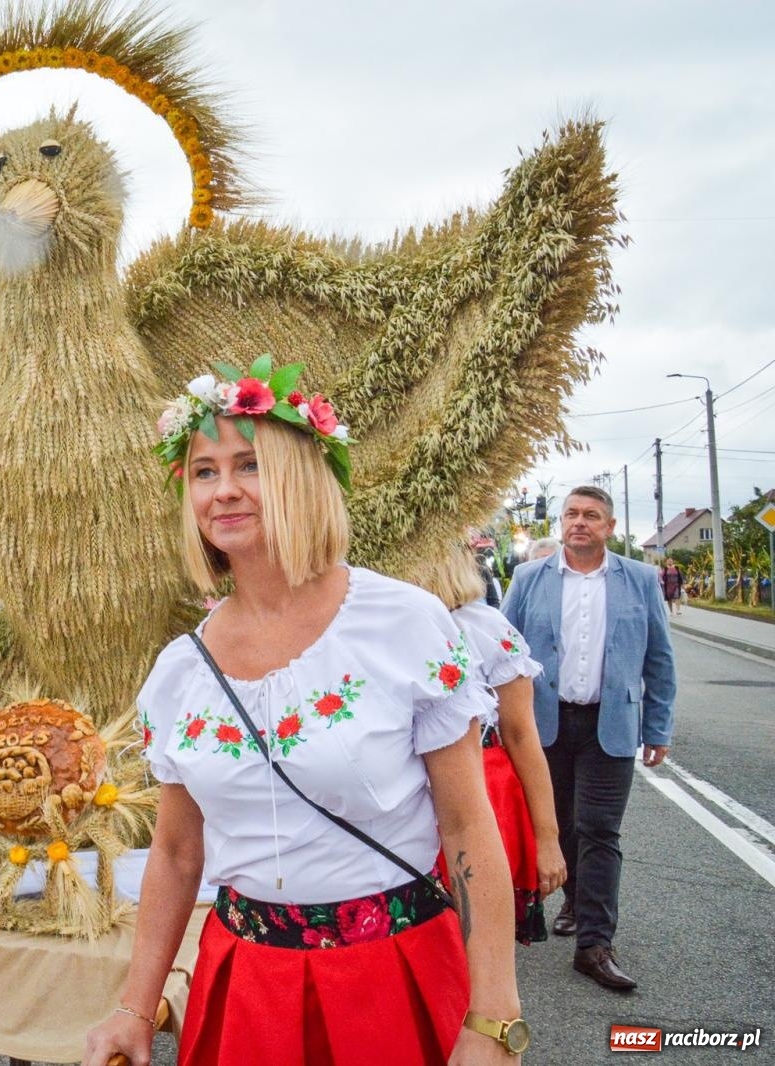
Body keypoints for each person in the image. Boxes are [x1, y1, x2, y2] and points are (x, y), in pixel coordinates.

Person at [85, 363, 526, 1066]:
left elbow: (468, 824)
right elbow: (175, 853)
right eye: (203, 472)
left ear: (302, 477)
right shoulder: (179, 672)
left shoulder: (404, 622)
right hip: (246, 989)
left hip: (392, 978)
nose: (223, 490)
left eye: (249, 465)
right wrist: (134, 1008)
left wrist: (495, 1016)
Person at [501, 485, 675, 992]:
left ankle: (595, 945)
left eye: (592, 515)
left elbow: (659, 660)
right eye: (572, 514)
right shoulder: (530, 578)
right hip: (542, 725)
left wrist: (658, 727)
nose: (580, 522)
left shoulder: (639, 579)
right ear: (561, 522)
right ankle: (575, 901)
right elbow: (501, 649)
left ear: (610, 527)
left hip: (610, 724)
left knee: (600, 830)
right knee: (559, 825)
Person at [426, 544, 566, 943]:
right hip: (406, 797)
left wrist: (547, 839)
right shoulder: (382, 624)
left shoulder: (484, 627)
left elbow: (521, 735)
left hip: (482, 793)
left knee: (478, 937)